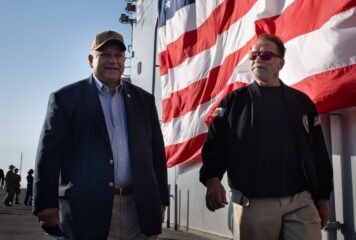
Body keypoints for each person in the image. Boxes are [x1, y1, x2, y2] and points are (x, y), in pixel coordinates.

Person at [33, 30, 169, 240]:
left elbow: (156, 154)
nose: (112, 61)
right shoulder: (65, 99)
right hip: (87, 209)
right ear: (91, 60)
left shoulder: (144, 101)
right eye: (105, 55)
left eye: (118, 55)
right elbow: (49, 154)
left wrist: (161, 199)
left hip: (138, 208)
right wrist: (46, 204)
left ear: (124, 60)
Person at [199, 33, 333, 240]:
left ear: (281, 63)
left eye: (266, 55)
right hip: (255, 201)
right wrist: (212, 179)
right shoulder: (234, 102)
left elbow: (318, 152)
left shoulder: (302, 103)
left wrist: (323, 197)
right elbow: (215, 145)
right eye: (254, 55)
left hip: (301, 200)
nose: (258, 59)